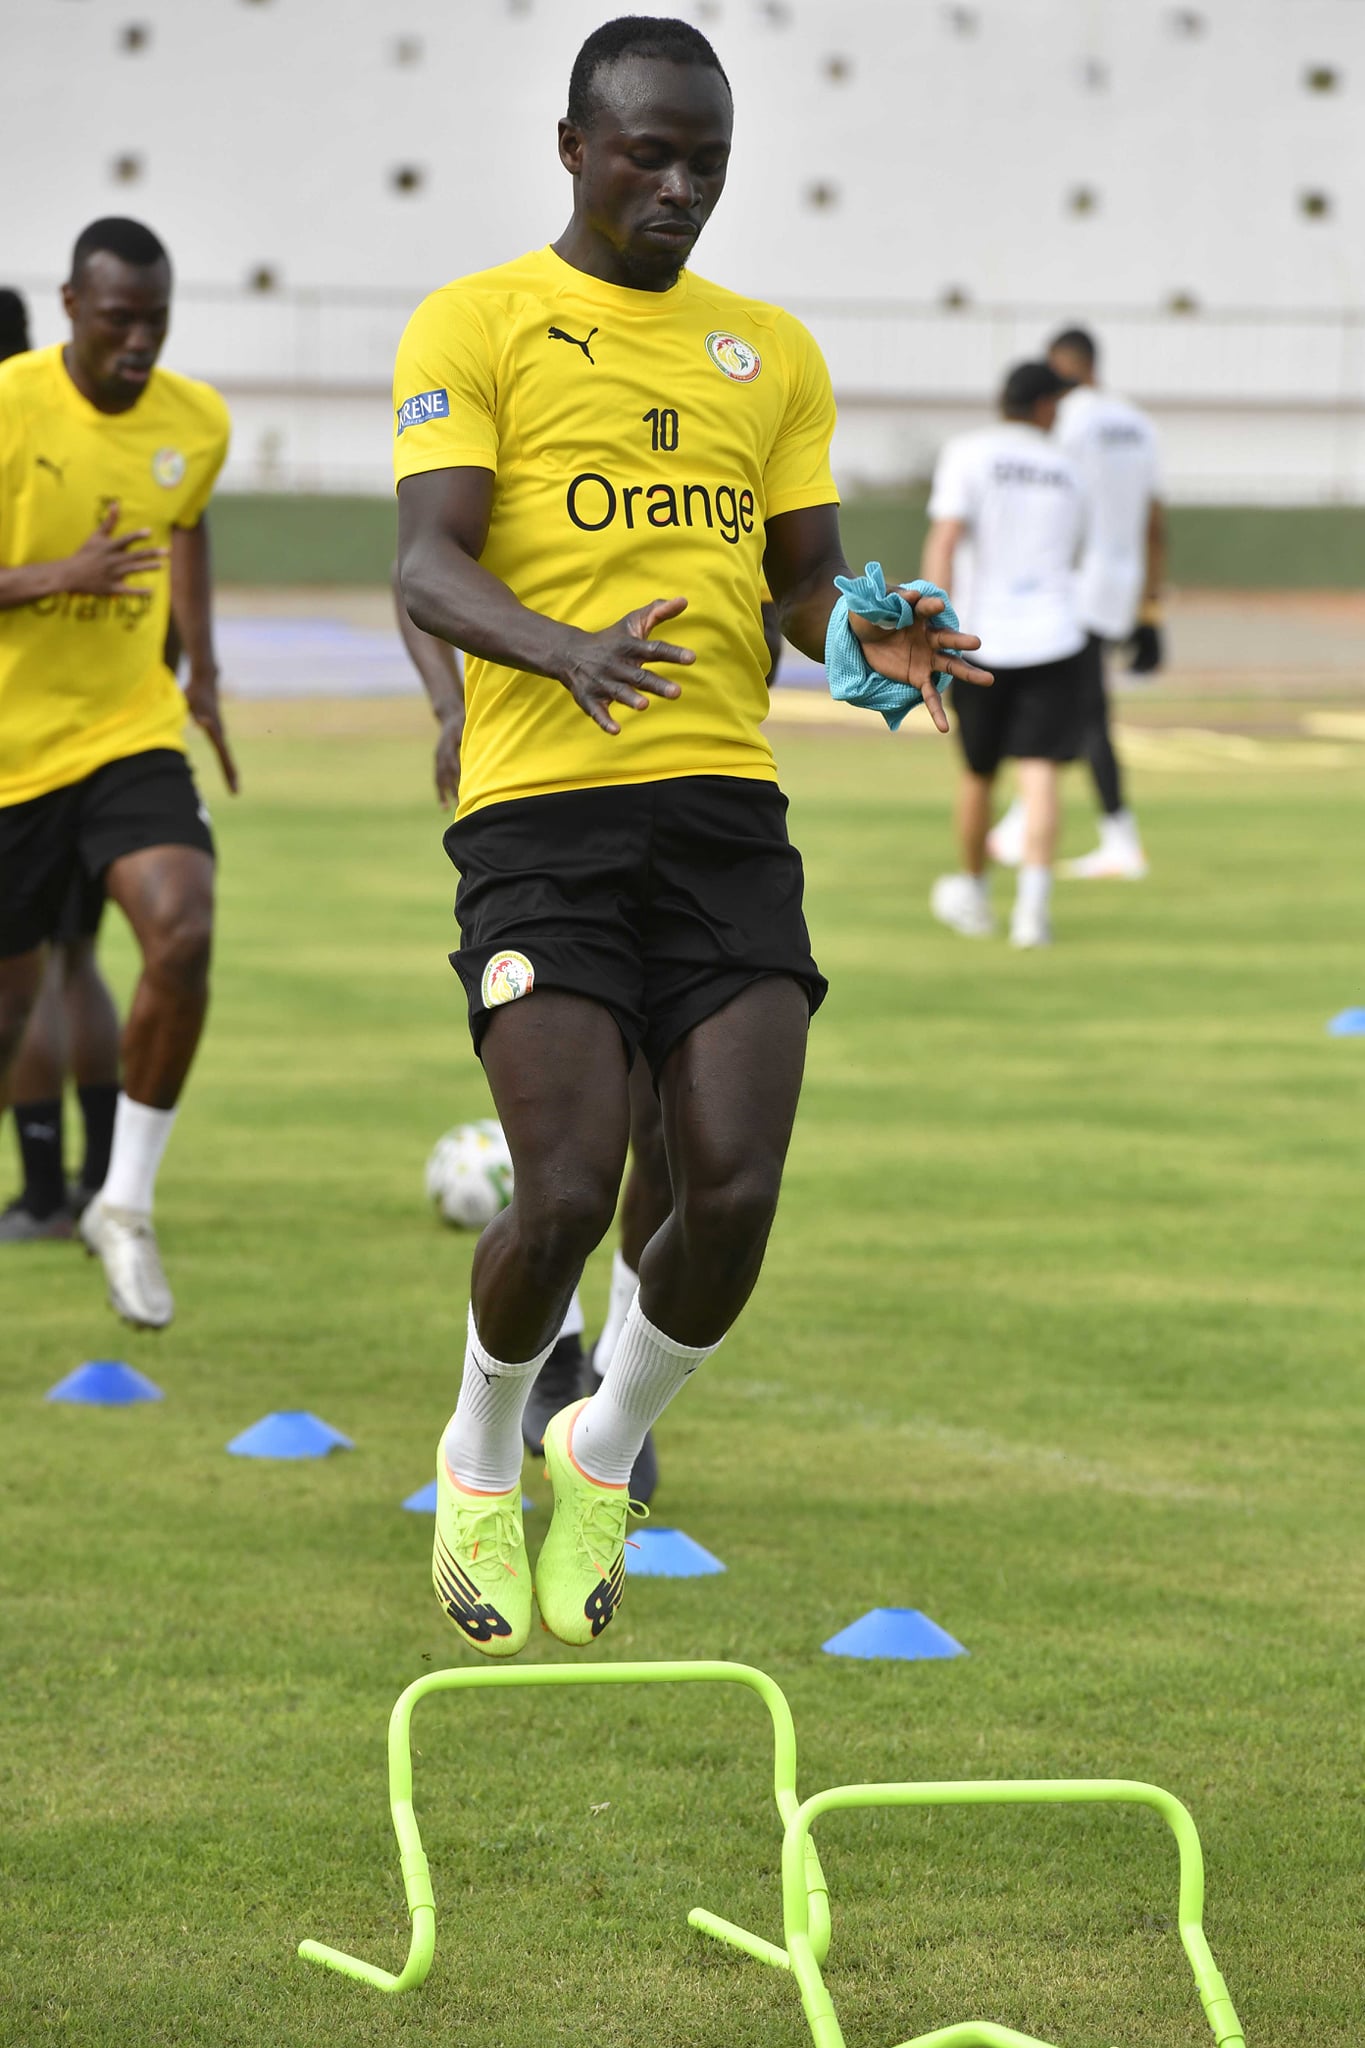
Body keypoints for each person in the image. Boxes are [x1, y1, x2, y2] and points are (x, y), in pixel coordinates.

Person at [393, 14, 989, 1657]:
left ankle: (598, 1447)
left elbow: (801, 580)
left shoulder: (770, 351)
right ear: (576, 149)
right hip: (542, 816)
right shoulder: (477, 321)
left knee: (727, 1192)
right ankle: (476, 1451)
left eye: (706, 161)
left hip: (726, 810)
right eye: (649, 153)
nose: (679, 187)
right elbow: (426, 567)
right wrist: (564, 650)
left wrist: (864, 628)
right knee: (571, 1185)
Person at [0, 217, 234, 1325]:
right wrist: (63, 574)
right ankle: (45, 1178)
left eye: (158, 320)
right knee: (14, 1009)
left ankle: (121, 1200)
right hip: (11, 752)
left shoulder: (198, 420)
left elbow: (184, 528)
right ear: (69, 307)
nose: (140, 341)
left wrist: (203, 673)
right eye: (119, 320)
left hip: (129, 729)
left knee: (182, 925)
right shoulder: (9, 405)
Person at [988, 326, 1163, 881]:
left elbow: (1044, 499)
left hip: (1069, 581)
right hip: (1121, 580)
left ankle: (1119, 837)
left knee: (1078, 712)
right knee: (1072, 707)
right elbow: (1156, 521)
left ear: (1061, 366)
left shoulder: (1067, 420)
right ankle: (1025, 821)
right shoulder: (1137, 421)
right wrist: (1151, 607)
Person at [923, 360, 1088, 949]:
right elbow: (1077, 552)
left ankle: (973, 892)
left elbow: (945, 538)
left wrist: (932, 620)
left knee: (977, 773)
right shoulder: (1068, 468)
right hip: (1054, 638)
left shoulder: (969, 452)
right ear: (1044, 406)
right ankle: (1032, 915)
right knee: (1040, 777)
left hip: (982, 639)